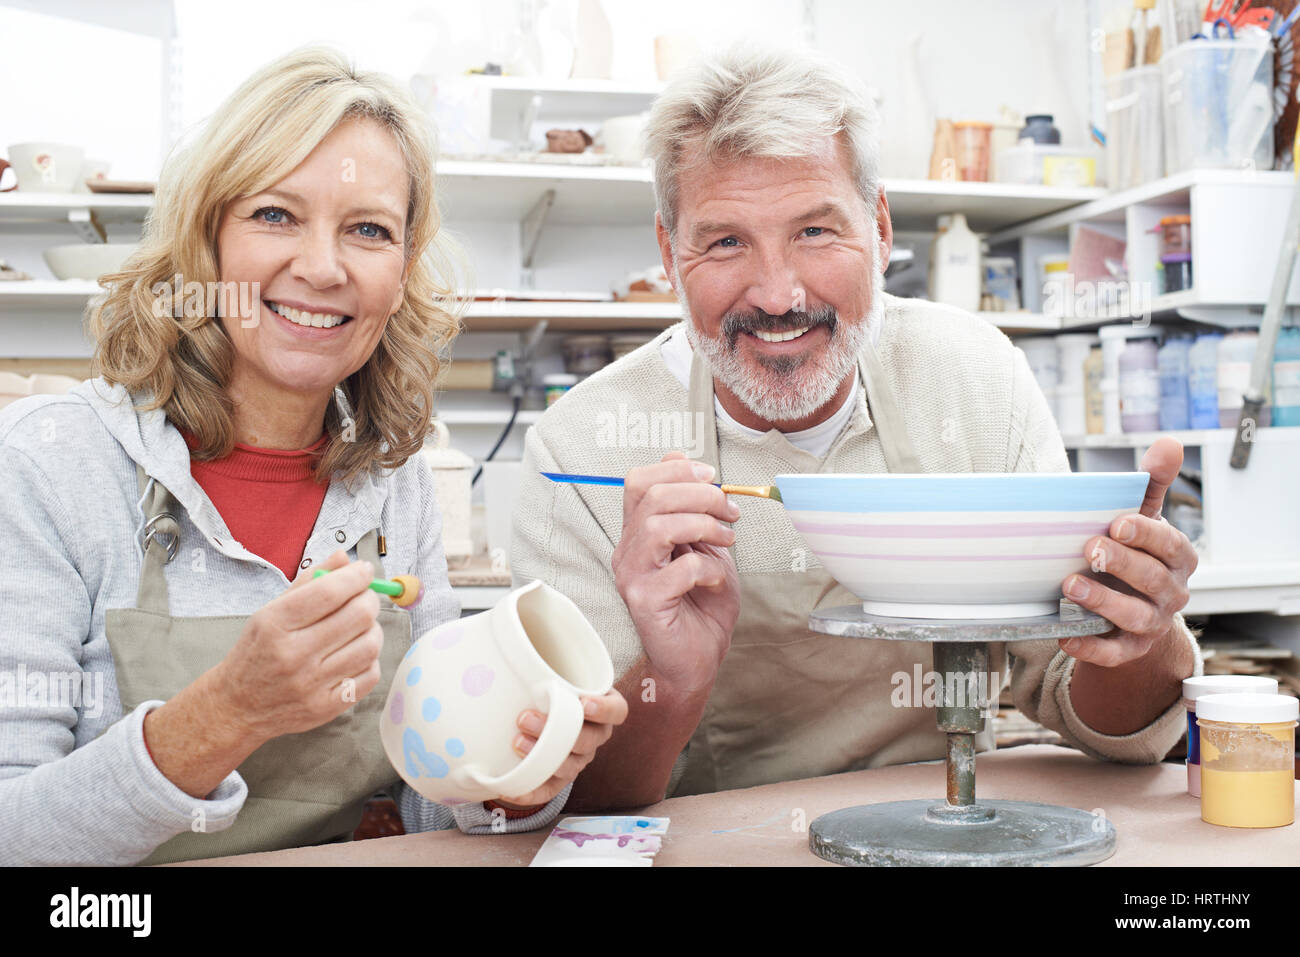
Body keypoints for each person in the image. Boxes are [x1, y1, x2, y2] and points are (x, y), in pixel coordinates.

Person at [511, 44, 1200, 808]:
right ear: (670, 255)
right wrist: (671, 680)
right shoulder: (579, 453)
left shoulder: (977, 379)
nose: (777, 294)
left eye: (814, 231)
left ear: (878, 228)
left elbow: (1097, 715)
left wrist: (1141, 629)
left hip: (949, 830)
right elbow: (575, 799)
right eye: (726, 240)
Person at [0, 47, 625, 865]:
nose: (323, 267)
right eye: (274, 215)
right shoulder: (52, 463)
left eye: (368, 230)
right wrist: (227, 711)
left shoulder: (392, 487)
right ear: (206, 244)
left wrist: (517, 778)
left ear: (400, 274)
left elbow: (433, 805)